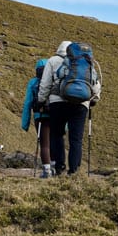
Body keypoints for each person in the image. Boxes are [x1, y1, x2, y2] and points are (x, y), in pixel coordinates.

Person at [38, 41, 102, 176]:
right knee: (76, 139)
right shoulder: (86, 60)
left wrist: (41, 100)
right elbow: (95, 84)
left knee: (57, 135)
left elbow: (45, 84)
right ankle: (74, 170)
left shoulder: (53, 60)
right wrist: (93, 100)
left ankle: (59, 167)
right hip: (81, 103)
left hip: (58, 102)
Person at [21, 58, 52, 178]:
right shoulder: (55, 81)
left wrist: (25, 123)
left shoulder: (33, 82)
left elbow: (28, 103)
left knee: (44, 144)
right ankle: (55, 168)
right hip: (54, 115)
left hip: (40, 116)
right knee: (54, 142)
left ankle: (47, 171)